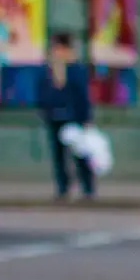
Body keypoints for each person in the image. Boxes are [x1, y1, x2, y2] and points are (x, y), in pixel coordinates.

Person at [35, 32, 94, 200]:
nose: (56, 51)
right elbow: (43, 92)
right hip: (54, 117)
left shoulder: (76, 68)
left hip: (73, 118)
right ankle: (63, 187)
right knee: (58, 156)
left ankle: (87, 187)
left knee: (80, 154)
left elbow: (83, 95)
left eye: (59, 48)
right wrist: (45, 109)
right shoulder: (48, 69)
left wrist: (86, 118)